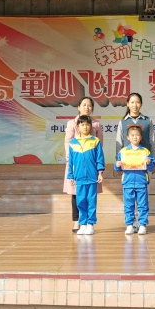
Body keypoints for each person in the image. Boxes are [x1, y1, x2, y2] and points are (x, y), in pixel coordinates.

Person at [115, 92, 155, 231]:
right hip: (127, 168)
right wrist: (118, 162)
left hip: (143, 166)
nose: (135, 105)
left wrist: (153, 160)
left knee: (142, 198)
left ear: (141, 104)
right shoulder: (122, 122)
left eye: (137, 102)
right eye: (132, 102)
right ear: (127, 104)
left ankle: (141, 223)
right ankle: (131, 223)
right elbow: (119, 142)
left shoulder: (147, 121)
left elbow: (152, 141)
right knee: (129, 199)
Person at [63, 97, 103, 232]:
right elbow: (68, 142)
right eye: (84, 105)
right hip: (76, 164)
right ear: (78, 107)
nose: (87, 107)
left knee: (90, 196)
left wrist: (98, 167)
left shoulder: (96, 124)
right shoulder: (71, 123)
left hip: (91, 166)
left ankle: (89, 223)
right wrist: (70, 162)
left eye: (89, 105)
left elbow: (100, 145)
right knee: (76, 194)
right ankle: (77, 222)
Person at [114, 125, 155, 235]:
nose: (135, 137)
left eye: (137, 135)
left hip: (141, 182)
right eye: (132, 135)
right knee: (128, 205)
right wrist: (117, 165)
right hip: (127, 182)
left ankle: (142, 225)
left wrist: (149, 162)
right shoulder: (123, 151)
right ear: (128, 137)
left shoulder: (145, 151)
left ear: (141, 137)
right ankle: (130, 225)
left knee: (143, 205)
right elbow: (118, 168)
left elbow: (152, 167)